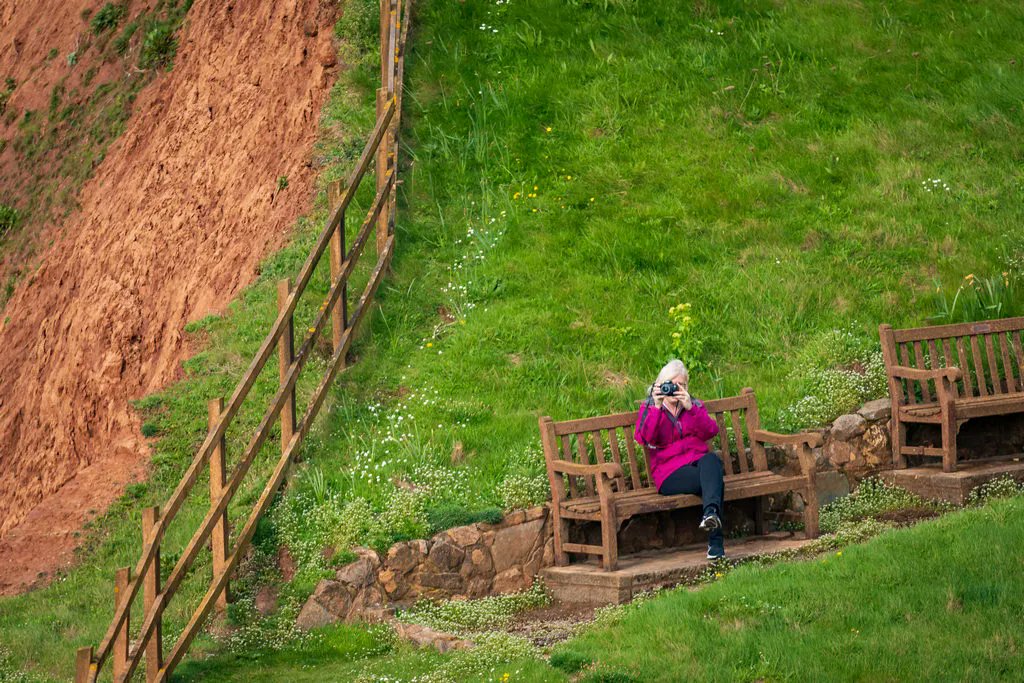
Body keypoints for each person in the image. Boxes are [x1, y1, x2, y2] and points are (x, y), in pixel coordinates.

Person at [634, 359, 725, 559]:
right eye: (673, 385)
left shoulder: (693, 405)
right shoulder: (650, 407)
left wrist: (691, 408)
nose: (677, 389)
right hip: (669, 473)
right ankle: (716, 546)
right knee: (714, 479)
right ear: (662, 384)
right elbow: (645, 438)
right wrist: (657, 408)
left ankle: (710, 515)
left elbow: (711, 431)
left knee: (712, 463)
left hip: (696, 464)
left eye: (682, 385)